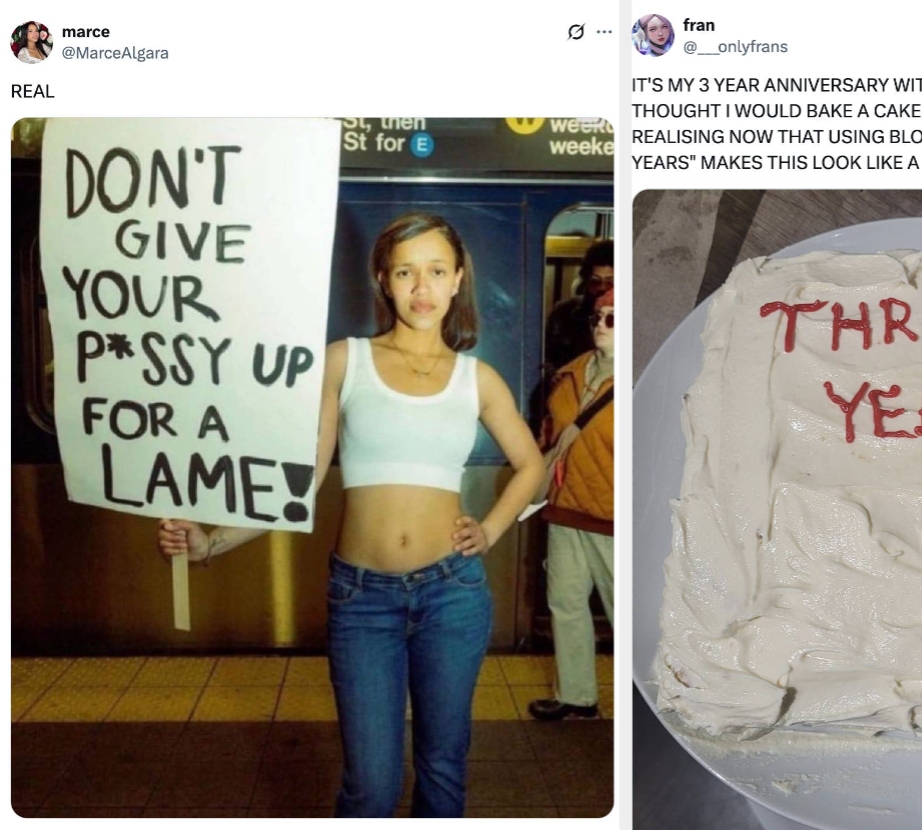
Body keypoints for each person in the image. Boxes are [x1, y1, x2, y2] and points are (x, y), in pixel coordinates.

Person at [156, 212, 543, 818]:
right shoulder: (345, 361)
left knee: (443, 771)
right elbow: (299, 481)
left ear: (458, 279)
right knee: (371, 784)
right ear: (383, 281)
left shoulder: (478, 379)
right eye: (406, 272)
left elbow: (532, 465)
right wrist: (212, 543)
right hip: (362, 601)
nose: (422, 288)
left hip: (453, 595)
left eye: (437, 272)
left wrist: (490, 529)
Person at [529, 290, 614, 721]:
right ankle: (577, 696)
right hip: (565, 510)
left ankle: (660, 698)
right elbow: (551, 434)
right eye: (598, 317)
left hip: (611, 518)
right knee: (564, 600)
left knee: (624, 611)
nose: (601, 324)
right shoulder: (571, 375)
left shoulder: (639, 383)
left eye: (613, 319)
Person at [543, 239, 613, 378]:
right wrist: (556, 375)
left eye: (610, 282)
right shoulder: (563, 313)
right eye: (595, 281)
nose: (601, 287)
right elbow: (546, 356)